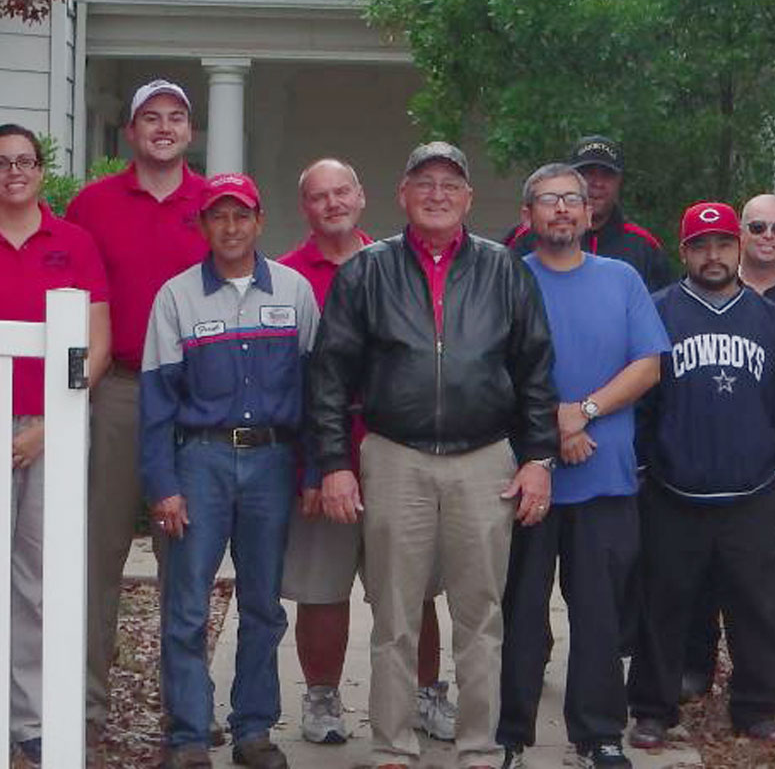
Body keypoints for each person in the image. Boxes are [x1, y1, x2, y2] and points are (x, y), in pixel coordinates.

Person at [308, 142, 557, 769]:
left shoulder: (505, 269)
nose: (437, 194)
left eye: (450, 184)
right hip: (396, 457)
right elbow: (330, 377)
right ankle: (393, 744)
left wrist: (538, 459)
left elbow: (535, 370)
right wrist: (335, 464)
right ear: (402, 194)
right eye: (424, 183)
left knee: (481, 616)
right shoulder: (367, 271)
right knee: (394, 614)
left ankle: (478, 747)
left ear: (468, 198)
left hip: (485, 460)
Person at [0, 123, 113, 768]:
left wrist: (50, 427)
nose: (14, 172)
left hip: (50, 427)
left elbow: (96, 343)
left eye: (25, 161)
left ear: (40, 171)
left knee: (39, 581)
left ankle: (32, 717)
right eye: (1, 162)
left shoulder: (74, 242)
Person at [275, 158, 456, 746]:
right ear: (305, 208)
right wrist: (313, 467)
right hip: (321, 461)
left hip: (398, 454)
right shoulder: (286, 279)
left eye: (341, 192)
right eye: (318, 196)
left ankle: (425, 694)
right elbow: (294, 384)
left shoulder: (397, 264)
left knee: (412, 589)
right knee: (322, 589)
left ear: (361, 196)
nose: (332, 203)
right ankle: (322, 699)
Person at [141, 174, 319, 769]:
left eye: (241, 215)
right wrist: (163, 484)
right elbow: (156, 400)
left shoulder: (294, 291)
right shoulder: (177, 297)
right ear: (203, 225)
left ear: (259, 221)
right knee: (188, 604)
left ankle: (254, 730)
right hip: (202, 460)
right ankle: (189, 734)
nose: (231, 227)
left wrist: (314, 471)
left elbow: (317, 390)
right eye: (218, 216)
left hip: (273, 461)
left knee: (264, 603)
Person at [497, 164, 668, 769]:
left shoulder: (621, 279)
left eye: (572, 199)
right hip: (526, 476)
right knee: (520, 613)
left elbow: (648, 365)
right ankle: (509, 735)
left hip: (604, 477)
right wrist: (555, 424)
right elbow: (493, 369)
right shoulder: (508, 279)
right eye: (549, 200)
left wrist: (585, 412)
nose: (563, 209)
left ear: (589, 213)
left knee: (599, 615)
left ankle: (598, 734)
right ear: (528, 216)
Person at [62, 80, 210, 753]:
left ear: (190, 132)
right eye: (150, 117)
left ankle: (186, 713)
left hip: (192, 400)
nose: (163, 127)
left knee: (188, 561)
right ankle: (85, 705)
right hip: (118, 389)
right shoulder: (92, 205)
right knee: (98, 554)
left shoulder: (211, 204)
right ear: (129, 133)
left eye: (175, 117)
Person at [625, 202, 775, 747]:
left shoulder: (770, 319)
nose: (713, 255)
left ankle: (757, 707)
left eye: (723, 243)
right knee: (663, 605)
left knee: (757, 607)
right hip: (674, 490)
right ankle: (653, 708)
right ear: (684, 252)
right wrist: (644, 466)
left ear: (739, 247)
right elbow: (642, 400)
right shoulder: (658, 310)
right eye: (701, 246)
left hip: (752, 490)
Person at [677, 192, 775, 702]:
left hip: (760, 475)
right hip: (686, 477)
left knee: (760, 594)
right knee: (686, 588)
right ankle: (686, 675)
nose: (768, 236)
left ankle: (761, 695)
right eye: (757, 227)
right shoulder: (675, 303)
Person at [504, 135, 673, 292]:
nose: (597, 183)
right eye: (588, 173)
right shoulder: (526, 237)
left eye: (607, 175)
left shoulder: (643, 246)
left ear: (619, 181)